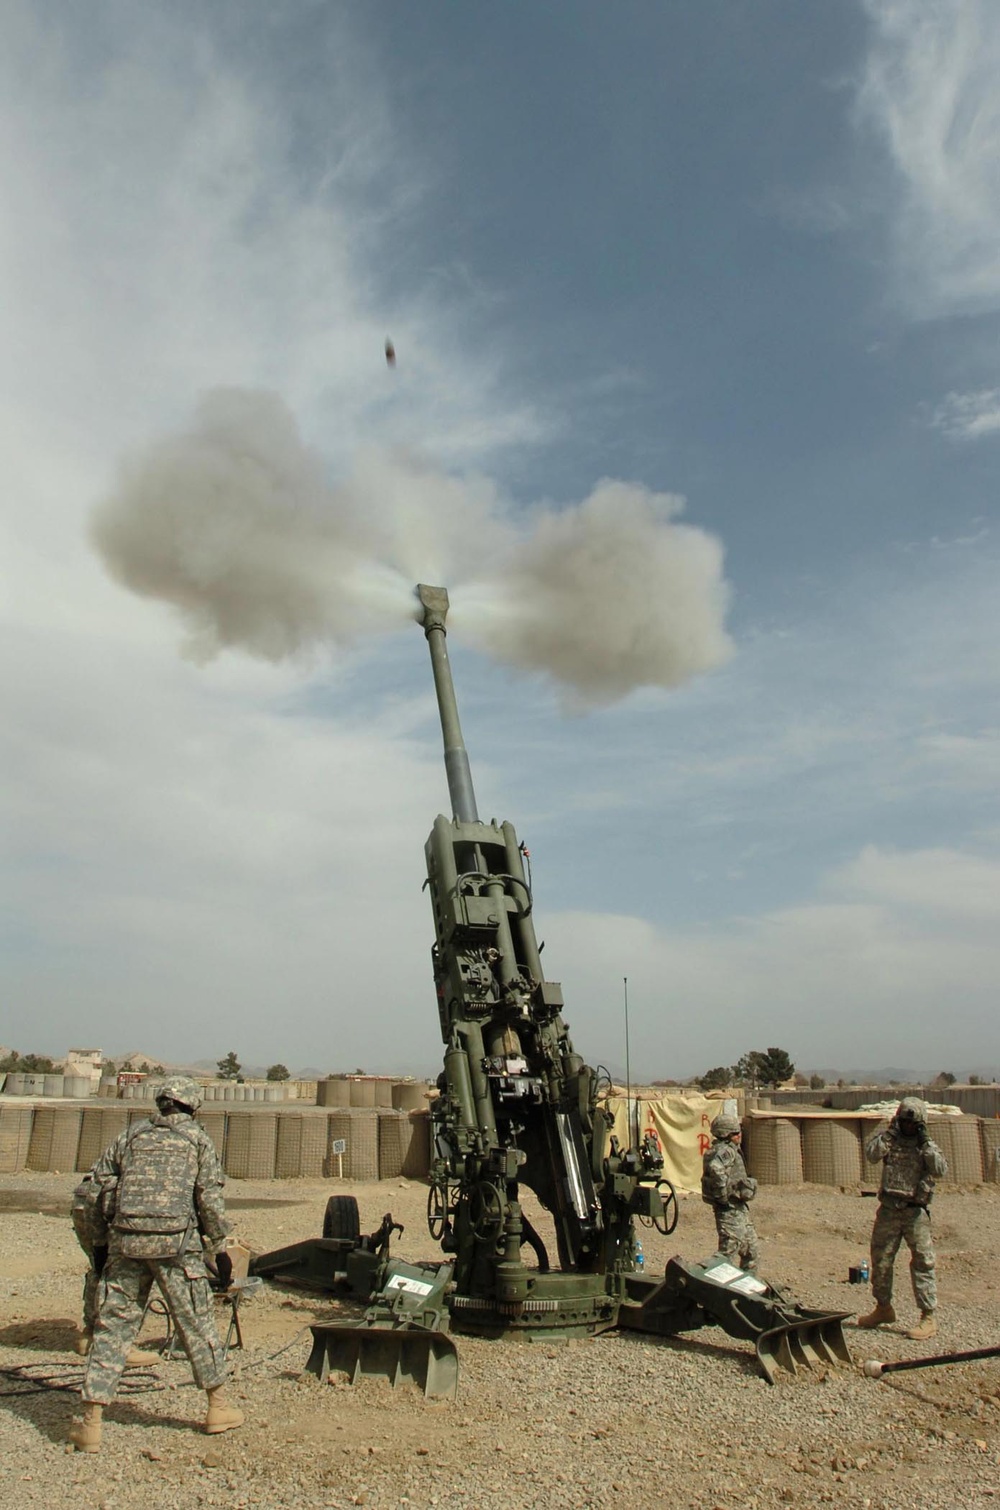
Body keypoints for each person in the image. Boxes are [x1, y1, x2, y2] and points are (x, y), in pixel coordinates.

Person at [69, 1075, 242, 1453]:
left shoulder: (131, 1136)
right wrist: (219, 1246)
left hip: (126, 1244)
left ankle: (91, 1423)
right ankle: (218, 1407)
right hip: (177, 1247)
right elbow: (208, 1197)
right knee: (197, 1324)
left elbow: (95, 1187)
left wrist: (100, 1245)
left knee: (112, 1329)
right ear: (192, 1106)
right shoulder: (197, 1139)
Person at [857, 1097, 947, 1341]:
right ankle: (883, 1308)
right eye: (903, 1122)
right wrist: (890, 1134)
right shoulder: (890, 1141)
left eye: (911, 1124)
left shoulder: (926, 1146)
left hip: (914, 1212)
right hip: (889, 1209)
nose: (907, 1127)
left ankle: (928, 1316)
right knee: (881, 1260)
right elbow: (871, 1154)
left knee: (922, 1262)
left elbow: (940, 1169)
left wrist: (925, 1141)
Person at [70, 1173, 159, 1367]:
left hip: (84, 1197)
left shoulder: (124, 1143)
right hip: (110, 1200)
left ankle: (90, 1335)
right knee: (127, 1274)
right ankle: (119, 1346)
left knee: (99, 1266)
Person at [701, 1110, 760, 1271]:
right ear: (726, 1134)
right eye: (736, 1133)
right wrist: (723, 1198)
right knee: (726, 1254)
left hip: (739, 1208)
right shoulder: (725, 1151)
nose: (739, 1135)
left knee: (751, 1250)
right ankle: (711, 1287)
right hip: (729, 1210)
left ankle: (747, 1287)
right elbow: (716, 1169)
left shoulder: (728, 1149)